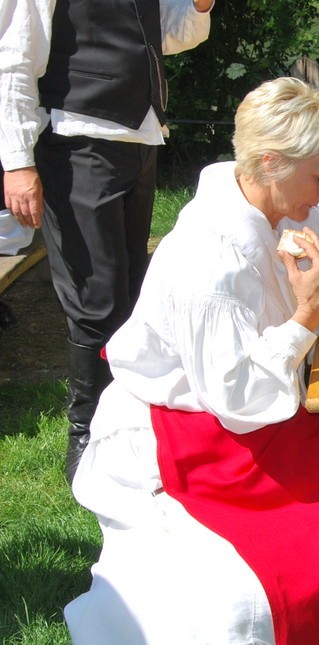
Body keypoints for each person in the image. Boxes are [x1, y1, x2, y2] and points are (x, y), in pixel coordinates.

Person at [64, 77, 319, 645]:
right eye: (318, 179)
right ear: (270, 163)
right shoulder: (211, 260)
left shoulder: (276, 197)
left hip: (245, 410)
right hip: (190, 429)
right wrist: (307, 313)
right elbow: (236, 400)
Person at [0, 0, 213, 483]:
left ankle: (131, 426)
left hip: (140, 138)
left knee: (132, 293)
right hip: (76, 138)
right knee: (95, 298)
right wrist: (17, 162)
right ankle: (85, 435)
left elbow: (169, 36)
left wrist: (200, 5)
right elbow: (14, 57)